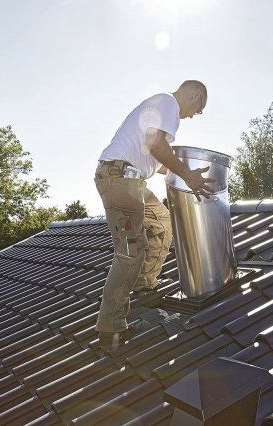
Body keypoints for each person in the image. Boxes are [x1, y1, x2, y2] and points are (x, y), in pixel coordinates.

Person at [94, 80, 215, 352]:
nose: (195, 114)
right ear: (194, 94)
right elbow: (156, 143)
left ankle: (144, 285)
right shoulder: (168, 103)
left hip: (130, 180)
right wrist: (187, 175)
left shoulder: (160, 105)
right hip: (120, 180)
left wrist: (187, 174)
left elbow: (157, 160)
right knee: (130, 251)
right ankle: (110, 328)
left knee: (162, 222)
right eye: (199, 108)